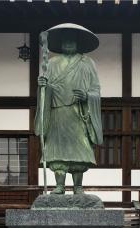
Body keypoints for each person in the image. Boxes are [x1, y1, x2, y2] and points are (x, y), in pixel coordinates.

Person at [35, 23, 103, 195]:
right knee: (58, 150)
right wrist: (43, 86)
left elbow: (96, 89)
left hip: (78, 113)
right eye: (65, 42)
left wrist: (87, 96)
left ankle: (78, 187)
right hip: (58, 112)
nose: (68, 44)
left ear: (78, 43)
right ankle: (59, 186)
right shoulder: (51, 63)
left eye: (72, 42)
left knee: (79, 149)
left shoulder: (87, 63)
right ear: (60, 44)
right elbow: (46, 89)